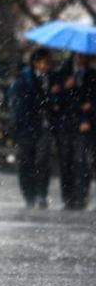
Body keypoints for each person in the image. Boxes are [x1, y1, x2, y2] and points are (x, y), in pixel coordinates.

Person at [50, 52, 95, 210]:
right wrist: (64, 88)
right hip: (66, 123)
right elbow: (54, 98)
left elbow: (91, 99)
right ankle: (68, 197)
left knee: (81, 162)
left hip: (83, 125)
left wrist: (87, 116)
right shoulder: (63, 73)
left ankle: (81, 196)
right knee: (66, 161)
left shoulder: (91, 74)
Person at [9, 49, 53, 209]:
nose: (46, 66)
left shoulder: (51, 79)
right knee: (26, 161)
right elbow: (19, 104)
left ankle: (41, 193)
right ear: (36, 62)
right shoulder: (24, 79)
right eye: (44, 62)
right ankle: (29, 194)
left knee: (42, 161)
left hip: (44, 126)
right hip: (27, 126)